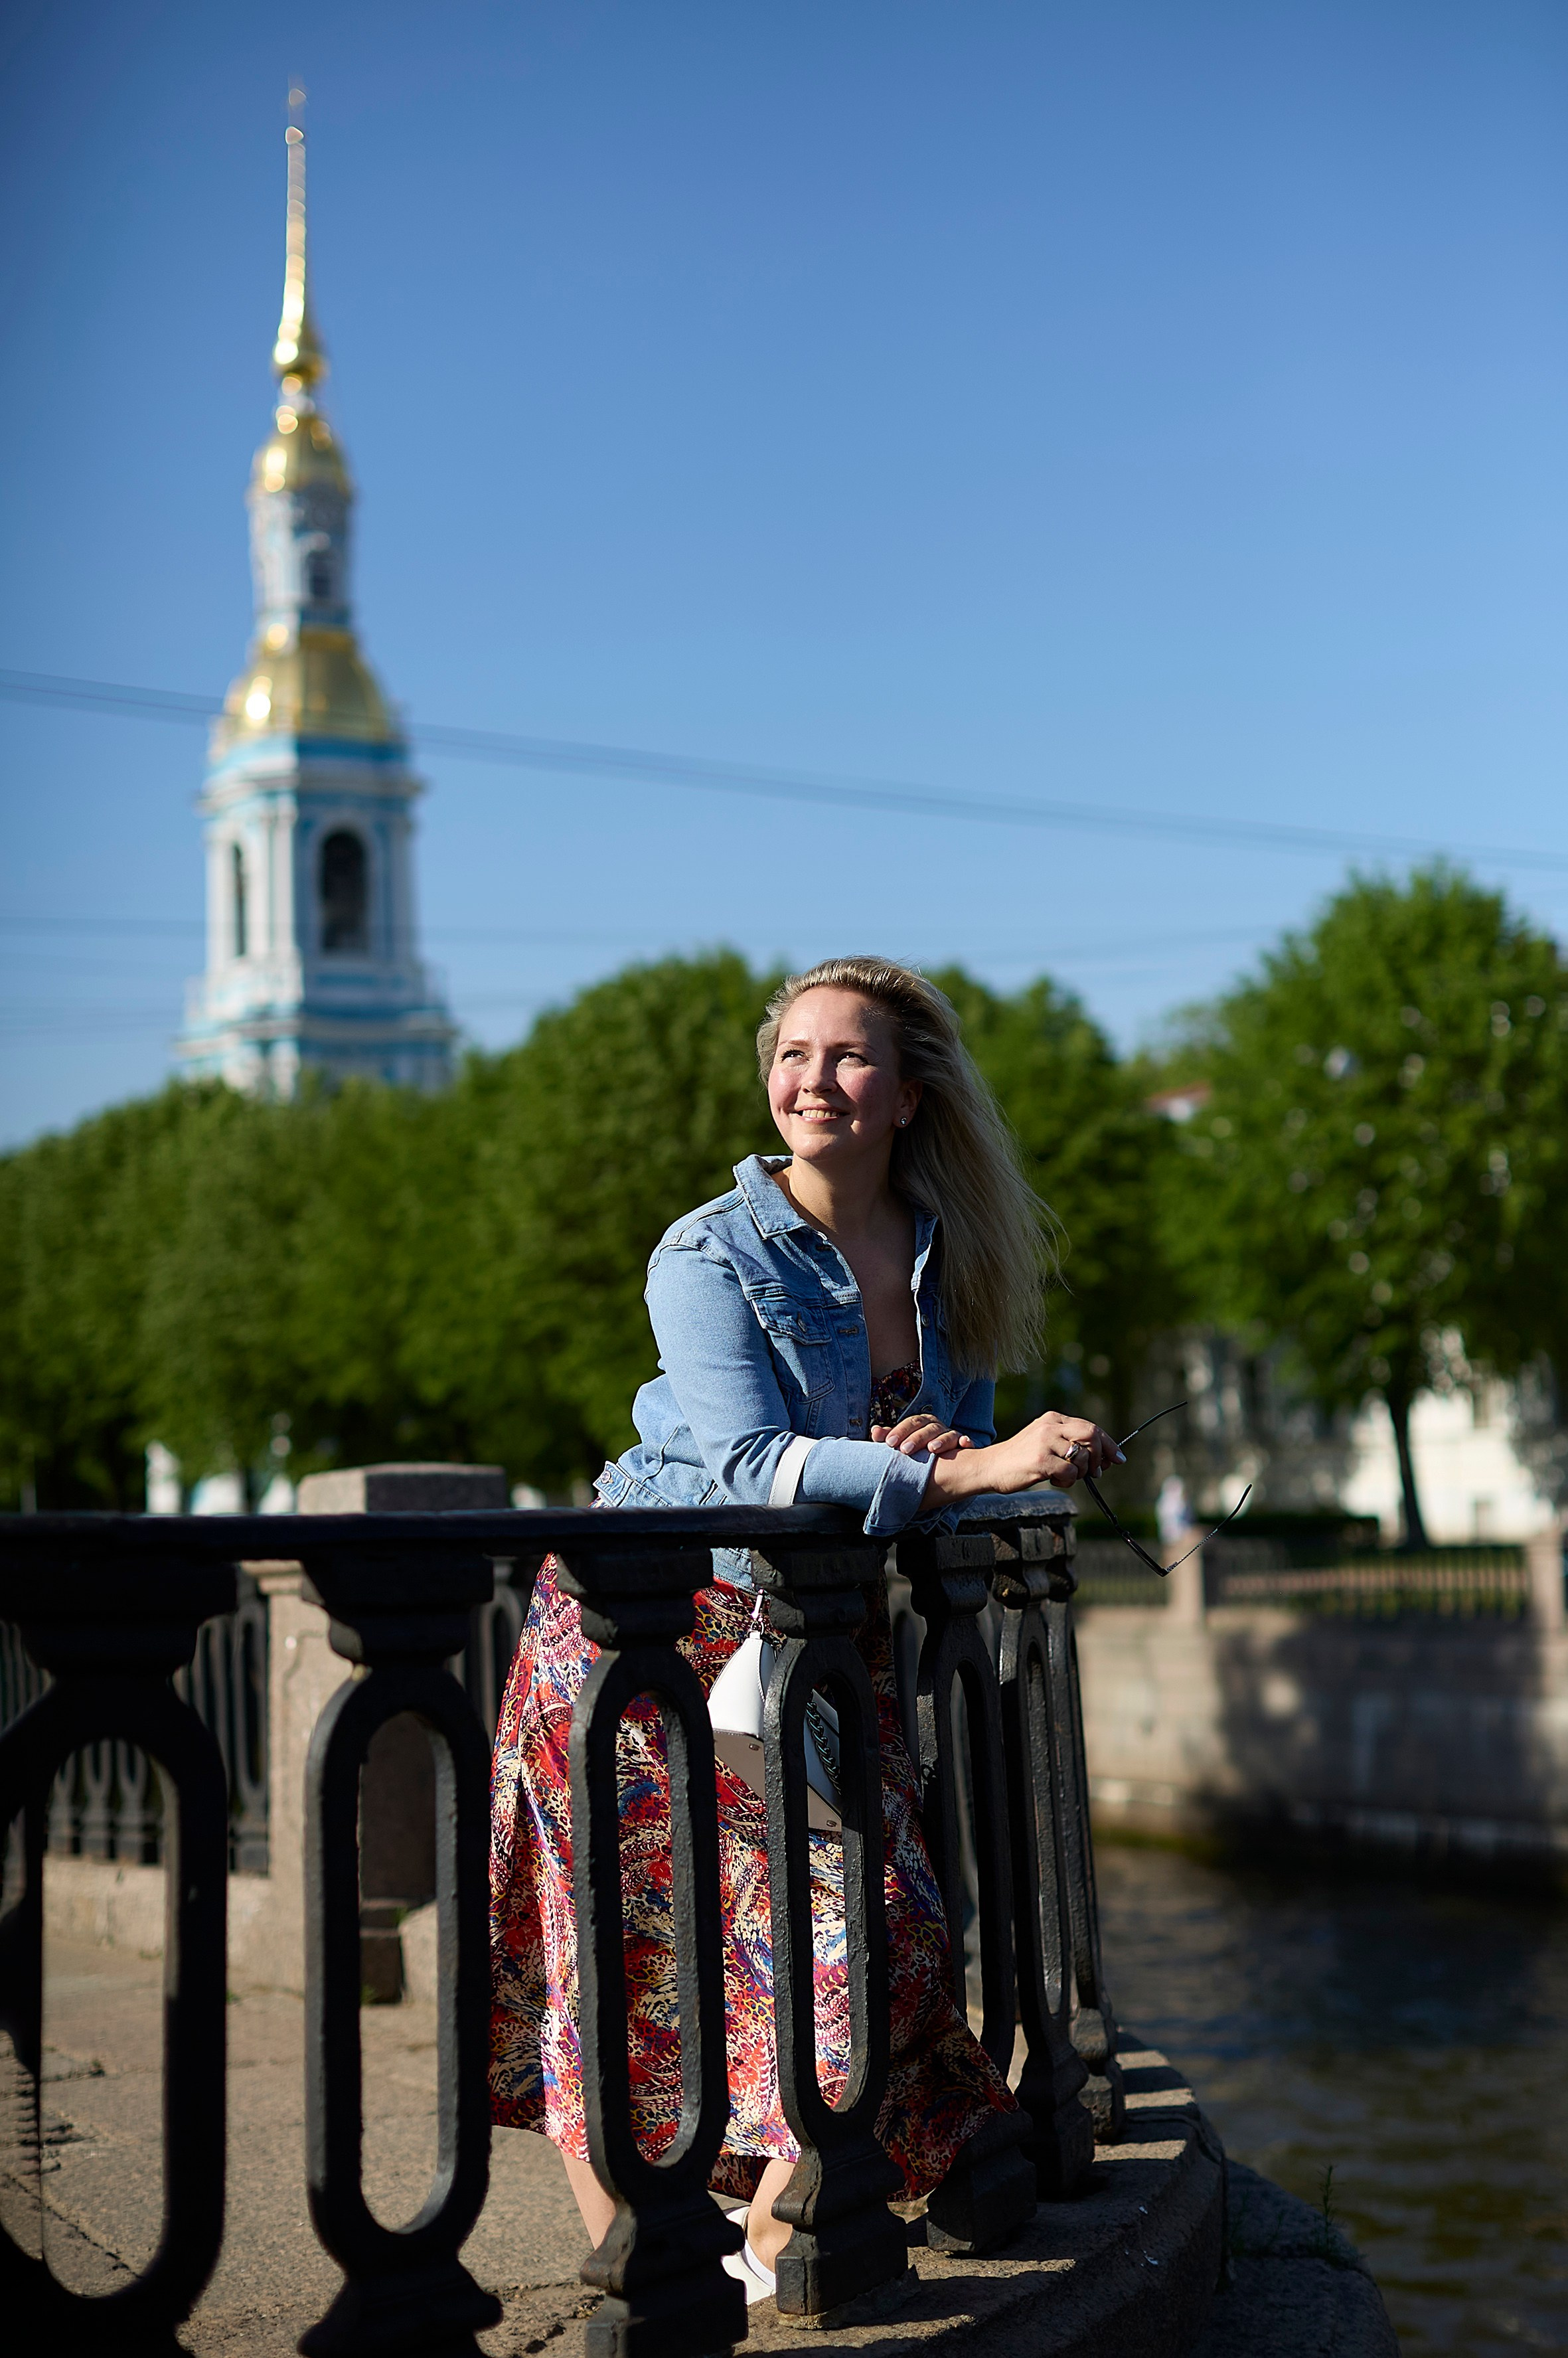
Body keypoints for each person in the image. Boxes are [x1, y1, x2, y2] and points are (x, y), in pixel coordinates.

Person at [489, 956, 1122, 2302]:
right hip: (640, 1628)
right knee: (626, 1941)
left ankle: (774, 2223)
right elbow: (742, 1468)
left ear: (907, 1093)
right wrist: (960, 1469)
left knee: (875, 1923)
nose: (810, 1080)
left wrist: (960, 1456)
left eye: (845, 1057)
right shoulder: (707, 1249)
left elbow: (913, 1479)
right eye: (791, 1054)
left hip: (806, 1639)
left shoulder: (956, 1252)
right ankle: (640, 2255)